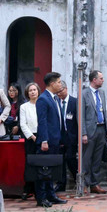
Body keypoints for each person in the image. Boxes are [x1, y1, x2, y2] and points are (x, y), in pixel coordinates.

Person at [33, 72, 67, 207]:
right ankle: (41, 198)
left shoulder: (55, 98)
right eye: (58, 82)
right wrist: (44, 140)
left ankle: (51, 195)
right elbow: (42, 122)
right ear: (52, 84)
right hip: (46, 141)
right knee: (43, 170)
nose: (60, 84)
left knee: (51, 170)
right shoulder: (43, 99)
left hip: (55, 140)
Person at [80, 69, 107, 193]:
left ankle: (94, 183)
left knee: (97, 158)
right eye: (101, 78)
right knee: (87, 158)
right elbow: (81, 115)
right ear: (94, 79)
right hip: (90, 130)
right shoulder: (84, 93)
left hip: (101, 128)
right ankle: (85, 183)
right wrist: (83, 133)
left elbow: (104, 111)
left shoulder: (101, 93)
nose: (103, 80)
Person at [19, 82, 41, 201]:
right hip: (30, 138)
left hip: (42, 136)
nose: (33, 92)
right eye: (30, 90)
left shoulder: (42, 104)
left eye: (34, 89)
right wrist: (32, 136)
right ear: (27, 93)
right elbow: (23, 124)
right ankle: (28, 189)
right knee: (30, 163)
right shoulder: (24, 107)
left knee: (41, 163)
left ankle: (39, 190)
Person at [54, 81, 78, 192]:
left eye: (60, 91)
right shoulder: (55, 102)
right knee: (60, 160)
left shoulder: (74, 102)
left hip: (71, 135)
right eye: (57, 92)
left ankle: (77, 180)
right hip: (59, 135)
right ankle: (61, 183)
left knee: (70, 158)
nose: (59, 94)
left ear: (66, 89)